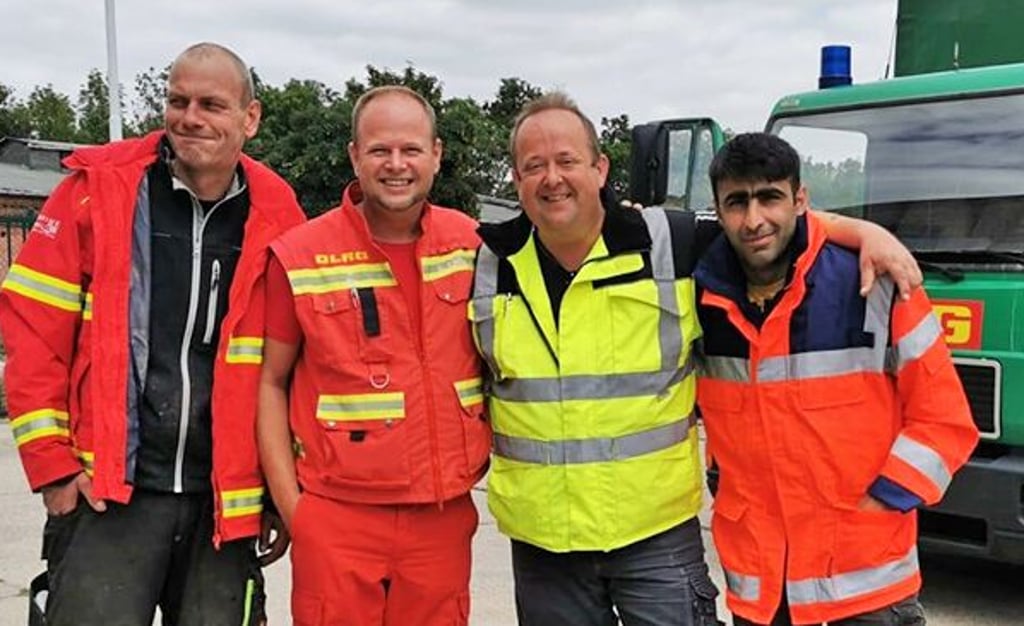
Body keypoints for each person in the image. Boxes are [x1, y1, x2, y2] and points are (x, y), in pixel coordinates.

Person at [469, 92, 924, 626]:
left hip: (654, 540)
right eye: (533, 166)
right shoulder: (484, 263)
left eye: (567, 161)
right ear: (516, 178)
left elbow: (763, 223)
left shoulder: (672, 242)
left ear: (600, 167)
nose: (552, 178)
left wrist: (864, 231)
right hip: (544, 548)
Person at [0, 42, 305, 625]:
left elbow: (292, 369)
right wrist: (54, 468)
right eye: (177, 100)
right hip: (110, 497)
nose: (189, 117)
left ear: (250, 117)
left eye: (211, 104)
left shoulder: (278, 210)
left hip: (224, 505)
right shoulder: (100, 189)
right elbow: (33, 328)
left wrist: (280, 493)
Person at [694, 132, 979, 625]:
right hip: (762, 588)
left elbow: (944, 420)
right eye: (737, 202)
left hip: (867, 584)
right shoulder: (700, 301)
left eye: (770, 197)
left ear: (801, 200)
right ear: (718, 211)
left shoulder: (876, 285)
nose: (754, 218)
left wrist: (884, 500)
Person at [257, 85, 490, 626]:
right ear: (354, 156)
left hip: (442, 518)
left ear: (436, 154)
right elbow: (271, 382)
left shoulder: (474, 245)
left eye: (410, 150)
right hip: (337, 519)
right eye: (380, 150)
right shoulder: (300, 255)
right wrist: (297, 510)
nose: (396, 164)